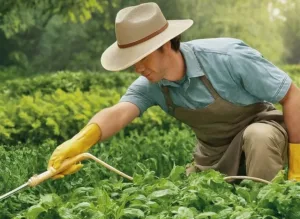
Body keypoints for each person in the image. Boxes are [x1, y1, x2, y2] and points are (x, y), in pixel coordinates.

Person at [48, 2, 300, 182]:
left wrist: (297, 164)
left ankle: (267, 211)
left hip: (263, 135)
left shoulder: (228, 57)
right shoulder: (151, 84)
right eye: (132, 61)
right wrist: (80, 141)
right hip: (213, 155)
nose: (138, 68)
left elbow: (292, 95)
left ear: (165, 44)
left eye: (142, 57)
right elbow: (118, 113)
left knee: (258, 134)